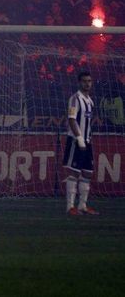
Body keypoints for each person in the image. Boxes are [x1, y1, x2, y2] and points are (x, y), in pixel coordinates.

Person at [62, 71, 99, 216]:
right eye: (84, 81)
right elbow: (71, 119)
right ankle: (70, 207)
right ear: (79, 82)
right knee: (74, 172)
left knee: (87, 173)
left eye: (89, 81)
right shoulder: (74, 98)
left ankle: (82, 205)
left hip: (87, 141)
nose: (87, 83)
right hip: (76, 140)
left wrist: (87, 138)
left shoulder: (90, 101)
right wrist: (79, 137)